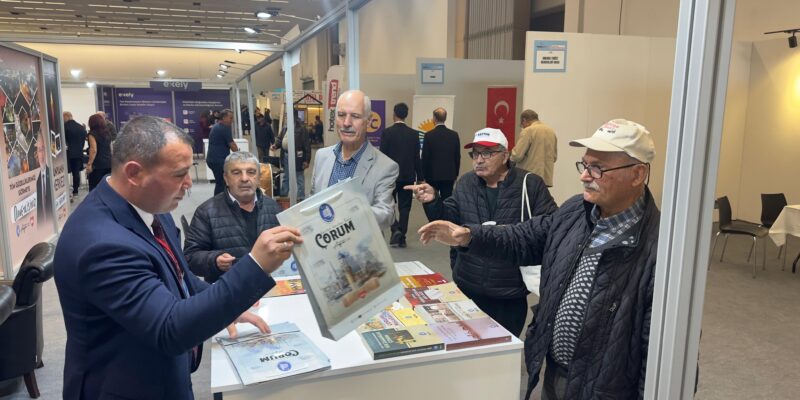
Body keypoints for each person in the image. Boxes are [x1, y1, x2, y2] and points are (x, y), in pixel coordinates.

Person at [54, 115, 302, 399]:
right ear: (134, 173)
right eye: (178, 174)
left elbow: (181, 279)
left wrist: (229, 306)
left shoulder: (152, 207)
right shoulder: (101, 243)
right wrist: (255, 265)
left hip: (166, 377)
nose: (188, 183)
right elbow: (169, 329)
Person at [419, 119, 658, 400]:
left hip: (605, 389)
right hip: (554, 374)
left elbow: (659, 357)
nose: (584, 176)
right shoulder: (575, 211)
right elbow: (526, 236)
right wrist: (470, 236)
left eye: (597, 168)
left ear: (637, 174)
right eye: (584, 165)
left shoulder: (659, 248)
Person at [407, 127, 557, 335]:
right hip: (468, 286)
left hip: (508, 293)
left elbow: (549, 228)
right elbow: (451, 222)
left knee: (503, 348)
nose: (479, 160)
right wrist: (433, 201)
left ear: (505, 155)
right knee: (465, 344)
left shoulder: (529, 185)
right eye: (475, 153)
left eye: (487, 153)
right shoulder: (466, 182)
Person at [184, 151, 281, 283]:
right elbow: (190, 258)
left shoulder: (273, 207)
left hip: (269, 285)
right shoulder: (206, 212)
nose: (244, 178)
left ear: (258, 177)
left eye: (251, 172)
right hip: (228, 288)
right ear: (226, 178)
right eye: (236, 173)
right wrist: (214, 260)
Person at [311, 90, 399, 231]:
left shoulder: (385, 166)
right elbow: (313, 201)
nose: (346, 123)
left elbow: (386, 215)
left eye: (355, 116)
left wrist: (349, 212)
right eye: (341, 115)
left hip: (362, 243)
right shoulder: (322, 156)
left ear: (368, 121)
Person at [379, 102, 421, 248]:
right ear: (406, 115)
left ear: (394, 114)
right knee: (405, 207)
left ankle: (395, 229)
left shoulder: (387, 133)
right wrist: (420, 177)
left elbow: (382, 157)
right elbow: (417, 158)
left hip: (390, 177)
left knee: (389, 204)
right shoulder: (414, 134)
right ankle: (401, 235)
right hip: (408, 176)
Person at [510, 109, 558, 187]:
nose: (523, 127)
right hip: (546, 179)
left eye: (522, 125)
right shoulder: (551, 132)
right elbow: (554, 157)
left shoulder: (528, 131)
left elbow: (517, 156)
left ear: (524, 120)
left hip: (529, 178)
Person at [421, 107, 460, 200]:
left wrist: (422, 176)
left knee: (432, 200)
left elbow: (425, 157)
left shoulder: (428, 135)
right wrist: (456, 174)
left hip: (432, 175)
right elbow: (457, 156)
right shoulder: (454, 135)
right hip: (449, 175)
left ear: (434, 118)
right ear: (445, 118)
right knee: (447, 201)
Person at [274, 115, 311, 200]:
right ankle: (283, 196)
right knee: (286, 176)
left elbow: (307, 145)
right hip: (286, 155)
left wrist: (306, 160)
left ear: (293, 117)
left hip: (298, 157)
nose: (286, 118)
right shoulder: (285, 127)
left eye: (287, 116)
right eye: (286, 116)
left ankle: (300, 197)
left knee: (299, 177)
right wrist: (276, 145)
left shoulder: (302, 129)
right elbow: (280, 139)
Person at [207, 109, 238, 195]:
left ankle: (220, 199)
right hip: (218, 160)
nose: (232, 120)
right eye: (230, 118)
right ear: (224, 118)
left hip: (213, 159)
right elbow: (232, 144)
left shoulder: (217, 126)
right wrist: (240, 155)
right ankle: (218, 201)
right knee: (222, 183)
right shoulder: (224, 128)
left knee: (221, 182)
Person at [86, 113, 113, 191]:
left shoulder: (92, 134)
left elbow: (93, 149)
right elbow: (111, 149)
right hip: (109, 163)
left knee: (95, 187)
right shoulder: (107, 133)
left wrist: (89, 164)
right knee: (107, 187)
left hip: (97, 164)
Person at [64, 111, 87, 196]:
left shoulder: (64, 127)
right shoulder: (81, 127)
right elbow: (83, 141)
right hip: (78, 153)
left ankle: (64, 190)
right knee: (76, 173)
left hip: (67, 153)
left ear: (66, 117)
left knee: (64, 172)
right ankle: (75, 190)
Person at [35, 130, 53, 222]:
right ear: (36, 154)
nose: (42, 154)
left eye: (43, 149)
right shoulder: (36, 180)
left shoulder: (52, 174)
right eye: (39, 150)